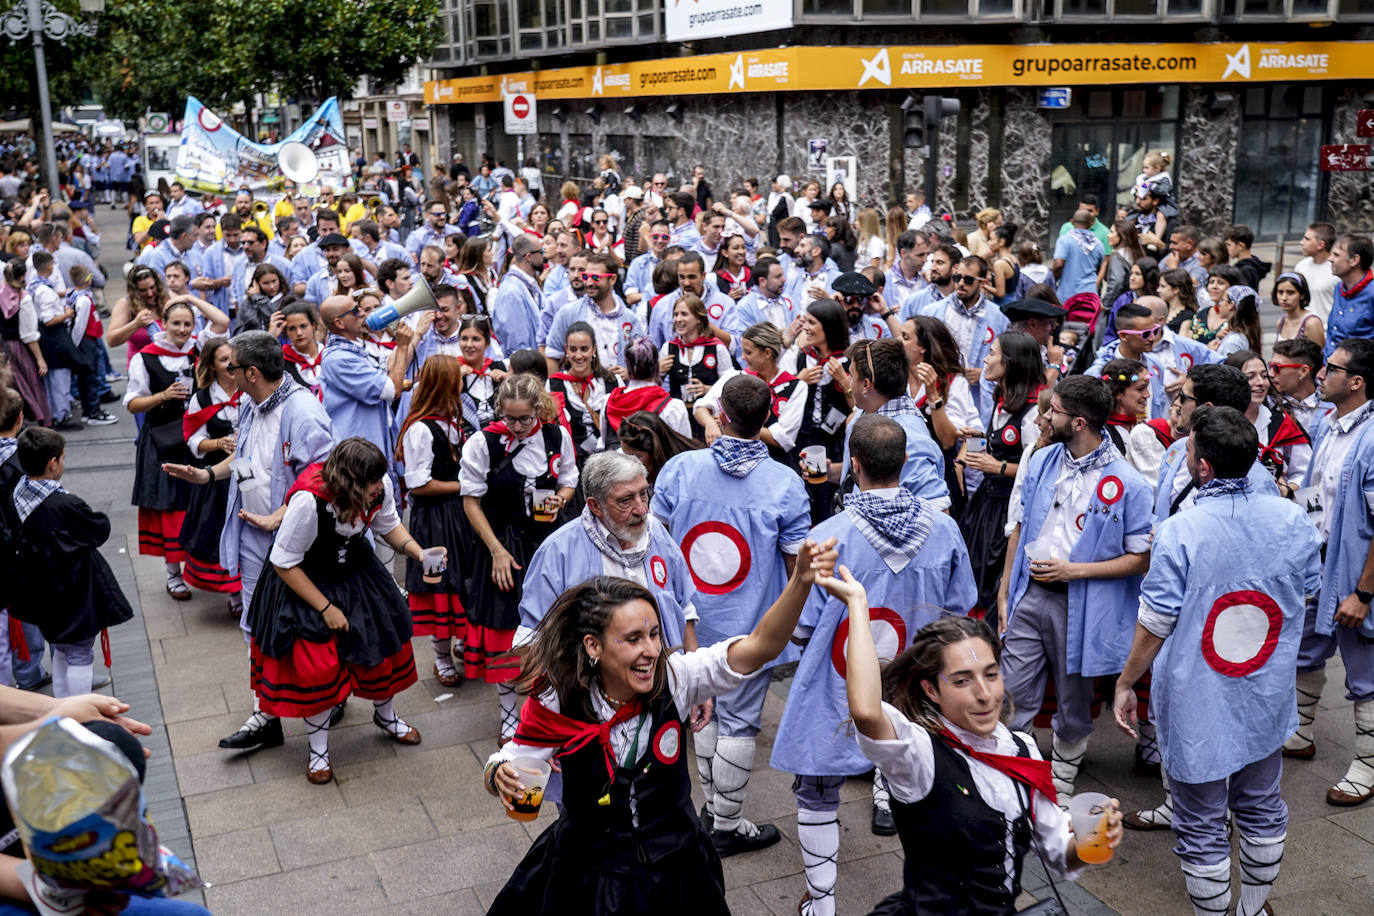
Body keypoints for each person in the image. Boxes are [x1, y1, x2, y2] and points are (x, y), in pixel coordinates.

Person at [482, 537, 841, 915]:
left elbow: (759, 647)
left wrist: (800, 582)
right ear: (593, 646)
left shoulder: (677, 677)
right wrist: (497, 774)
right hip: (588, 873)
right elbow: (510, 759)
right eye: (633, 639)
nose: (652, 650)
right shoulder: (560, 696)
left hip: (675, 868)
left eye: (654, 634)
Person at [1114, 405, 1320, 916]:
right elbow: (1308, 591)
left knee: (1201, 818)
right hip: (1266, 687)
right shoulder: (1292, 519)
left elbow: (1155, 623)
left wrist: (1126, 682)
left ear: (1203, 466)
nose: (1183, 454)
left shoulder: (1181, 530)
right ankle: (1251, 909)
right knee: (1261, 802)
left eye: (1187, 449)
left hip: (1197, 695)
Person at [773, 415, 976, 913]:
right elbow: (960, 612)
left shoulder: (827, 537)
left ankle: (822, 902)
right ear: (905, 462)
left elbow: (801, 628)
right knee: (923, 785)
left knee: (817, 788)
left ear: (854, 465)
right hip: (916, 687)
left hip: (838, 684)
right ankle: (930, 897)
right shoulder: (944, 529)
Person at [846, 610, 1122, 915]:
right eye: (962, 681)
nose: (985, 694)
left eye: (991, 675)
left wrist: (1094, 839)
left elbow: (1060, 851)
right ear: (931, 690)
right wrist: (857, 603)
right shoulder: (919, 754)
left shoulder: (1021, 749)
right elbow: (866, 711)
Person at [651, 374, 811, 856]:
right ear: (767, 418)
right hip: (752, 624)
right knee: (739, 720)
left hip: (688, 619)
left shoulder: (681, 468)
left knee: (702, 703)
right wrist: (800, 627)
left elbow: (653, 543)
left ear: (720, 413)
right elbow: (797, 567)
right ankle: (726, 822)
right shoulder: (786, 483)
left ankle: (715, 811)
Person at [162, 330, 334, 752]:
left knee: (305, 629)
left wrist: (280, 513)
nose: (228, 372)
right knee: (254, 624)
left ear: (252, 372)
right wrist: (206, 475)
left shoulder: (303, 411)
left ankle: (324, 708)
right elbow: (246, 462)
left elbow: (324, 477)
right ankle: (266, 713)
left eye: (233, 366)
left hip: (295, 545)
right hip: (253, 537)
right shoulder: (248, 403)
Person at [999, 375, 1152, 798]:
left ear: (1080, 422)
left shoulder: (1127, 483)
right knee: (1010, 693)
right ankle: (1014, 779)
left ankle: (1061, 785)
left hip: (1082, 607)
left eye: (1054, 411)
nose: (1045, 418)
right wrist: (1005, 591)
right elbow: (1020, 527)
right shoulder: (1042, 459)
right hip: (1030, 594)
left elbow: (1140, 559)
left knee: (1073, 702)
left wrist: (1074, 571)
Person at [248, 438, 433, 784]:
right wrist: (326, 608)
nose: (379, 487)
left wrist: (418, 552)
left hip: (356, 572)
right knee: (317, 665)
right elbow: (283, 562)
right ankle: (318, 751)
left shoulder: (378, 484)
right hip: (305, 578)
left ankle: (386, 716)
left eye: (379, 479)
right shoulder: (309, 502)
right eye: (371, 482)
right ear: (349, 483)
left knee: (382, 646)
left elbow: (387, 525)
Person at [461, 374, 579, 742]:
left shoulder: (556, 437)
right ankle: (509, 715)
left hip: (548, 542)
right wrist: (496, 550)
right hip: (503, 543)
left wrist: (561, 498)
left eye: (524, 418)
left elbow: (570, 477)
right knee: (505, 626)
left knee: (552, 622)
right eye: (509, 418)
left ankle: (546, 706)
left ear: (538, 410)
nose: (516, 426)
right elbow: (470, 502)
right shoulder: (483, 443)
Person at [1287, 338, 1374, 807]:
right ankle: (1300, 733)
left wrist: (1363, 593)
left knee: (1364, 674)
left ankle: (1367, 764)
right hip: (1318, 566)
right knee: (1305, 650)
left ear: (1356, 382)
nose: (1320, 375)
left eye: (1331, 369)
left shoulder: (1372, 437)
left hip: (1356, 576)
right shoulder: (1327, 424)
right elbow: (1316, 494)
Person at [518, 450, 699, 657]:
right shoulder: (558, 551)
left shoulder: (657, 533)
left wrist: (691, 671)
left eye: (643, 494)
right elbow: (532, 639)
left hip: (663, 672)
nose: (641, 509)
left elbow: (685, 610)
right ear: (595, 505)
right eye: (626, 500)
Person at [5, 427, 133, 698]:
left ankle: (63, 708)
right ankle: (77, 711)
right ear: (53, 463)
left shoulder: (19, 494)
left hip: (43, 589)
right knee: (80, 653)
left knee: (62, 649)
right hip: (73, 591)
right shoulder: (63, 504)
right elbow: (98, 528)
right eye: (63, 457)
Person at [124, 301, 205, 600]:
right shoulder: (146, 358)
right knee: (170, 506)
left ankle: (203, 569)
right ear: (164, 324)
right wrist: (164, 395)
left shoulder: (200, 351)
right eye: (176, 324)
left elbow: (222, 324)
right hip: (162, 441)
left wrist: (194, 300)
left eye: (187, 324)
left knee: (200, 504)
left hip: (199, 438)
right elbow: (133, 404)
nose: (182, 330)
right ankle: (173, 574)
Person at [396, 355, 468, 689]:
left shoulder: (452, 423)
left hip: (457, 517)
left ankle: (462, 642)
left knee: (461, 581)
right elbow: (418, 484)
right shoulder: (421, 429)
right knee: (438, 584)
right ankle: (441, 658)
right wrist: (464, 486)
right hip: (434, 520)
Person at [960, 332, 1042, 607]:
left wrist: (998, 466)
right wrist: (980, 438)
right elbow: (1002, 443)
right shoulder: (1001, 400)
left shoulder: (1032, 413)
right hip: (986, 503)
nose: (985, 360)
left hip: (1007, 507)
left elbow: (1036, 470)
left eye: (992, 353)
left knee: (991, 575)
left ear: (1010, 362)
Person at [840, 338, 948, 509]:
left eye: (851, 375)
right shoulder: (863, 413)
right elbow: (862, 474)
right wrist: (830, 471)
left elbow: (938, 512)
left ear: (866, 384)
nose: (848, 380)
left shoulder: (911, 441)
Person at [178, 337, 242, 609]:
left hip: (247, 469)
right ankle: (235, 594)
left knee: (248, 522)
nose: (230, 364)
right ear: (212, 366)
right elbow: (192, 440)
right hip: (217, 474)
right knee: (220, 528)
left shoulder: (250, 391)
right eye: (223, 360)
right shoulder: (202, 398)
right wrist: (218, 443)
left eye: (233, 358)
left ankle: (247, 589)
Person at [781, 299, 852, 524]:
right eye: (806, 322)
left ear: (829, 326)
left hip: (833, 443)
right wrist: (798, 381)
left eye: (812, 322)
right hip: (804, 440)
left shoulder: (847, 361)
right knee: (803, 497)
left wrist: (844, 381)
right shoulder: (801, 356)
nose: (806, 328)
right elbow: (780, 397)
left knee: (827, 500)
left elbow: (858, 407)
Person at [694, 322, 807, 463]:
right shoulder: (737, 376)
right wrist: (710, 423)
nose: (742, 358)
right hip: (731, 459)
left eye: (748, 352)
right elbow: (700, 407)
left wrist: (733, 422)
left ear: (767, 353)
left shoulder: (796, 387)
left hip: (771, 463)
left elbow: (783, 439)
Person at [915, 256, 1008, 423]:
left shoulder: (999, 318)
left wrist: (983, 373)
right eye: (957, 277)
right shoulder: (932, 312)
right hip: (940, 392)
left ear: (983, 282)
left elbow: (1006, 360)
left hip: (979, 398)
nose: (961, 284)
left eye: (969, 280)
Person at [319, 295, 412, 451]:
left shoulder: (351, 350)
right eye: (355, 310)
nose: (363, 313)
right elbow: (392, 390)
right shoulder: (340, 359)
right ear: (339, 323)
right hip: (358, 455)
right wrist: (402, 347)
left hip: (366, 447)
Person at [659, 294, 732, 440]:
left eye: (684, 314)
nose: (678, 319)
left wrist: (708, 389)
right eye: (676, 314)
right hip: (678, 421)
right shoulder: (669, 348)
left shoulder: (716, 348)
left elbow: (730, 388)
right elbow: (654, 386)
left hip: (708, 421)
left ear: (698, 318)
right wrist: (658, 371)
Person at [548, 321, 619, 463]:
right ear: (566, 350)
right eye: (573, 349)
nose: (578, 355)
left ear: (594, 349)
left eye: (584, 349)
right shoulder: (553, 385)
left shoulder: (612, 381)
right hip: (572, 463)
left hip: (610, 462)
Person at [601, 336, 690, 447]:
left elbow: (604, 444)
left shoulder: (609, 402)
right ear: (656, 365)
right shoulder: (673, 408)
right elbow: (683, 450)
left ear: (627, 364)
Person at [0, 260, 48, 426]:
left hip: (2, 344)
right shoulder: (23, 298)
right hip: (17, 347)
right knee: (30, 384)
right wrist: (40, 359)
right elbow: (29, 334)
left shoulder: (1, 291)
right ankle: (38, 417)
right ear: (22, 277)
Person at [616, 408, 705, 483]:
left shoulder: (688, 472)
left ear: (655, 452)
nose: (629, 463)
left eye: (637, 457)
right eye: (625, 455)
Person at [491, 234, 544, 354]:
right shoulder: (511, 291)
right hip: (525, 362)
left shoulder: (528, 283)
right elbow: (517, 343)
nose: (543, 255)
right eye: (541, 251)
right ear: (529, 256)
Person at [1326, 234, 1374, 357]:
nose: (1330, 259)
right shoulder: (1339, 288)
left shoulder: (1371, 293)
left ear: (1354, 260)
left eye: (1336, 255)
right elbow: (1333, 333)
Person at [1269, 337, 1328, 435]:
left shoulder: (1330, 405)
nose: (1270, 374)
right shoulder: (1268, 402)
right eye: (1270, 366)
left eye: (1276, 367)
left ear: (1303, 371)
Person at [1293, 221, 1339, 323]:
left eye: (1307, 239)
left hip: (1326, 330)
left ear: (1320, 245)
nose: (1301, 242)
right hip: (1302, 328)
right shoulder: (1301, 266)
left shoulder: (1337, 271)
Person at [280, 302, 324, 397]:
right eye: (292, 328)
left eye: (303, 326)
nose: (299, 333)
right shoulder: (282, 362)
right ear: (285, 331)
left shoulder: (328, 353)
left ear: (313, 325)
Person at [1273, 270, 1324, 351]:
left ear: (1302, 295)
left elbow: (1319, 355)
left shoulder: (1311, 323)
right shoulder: (1280, 322)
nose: (1284, 298)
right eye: (1280, 292)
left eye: (1290, 293)